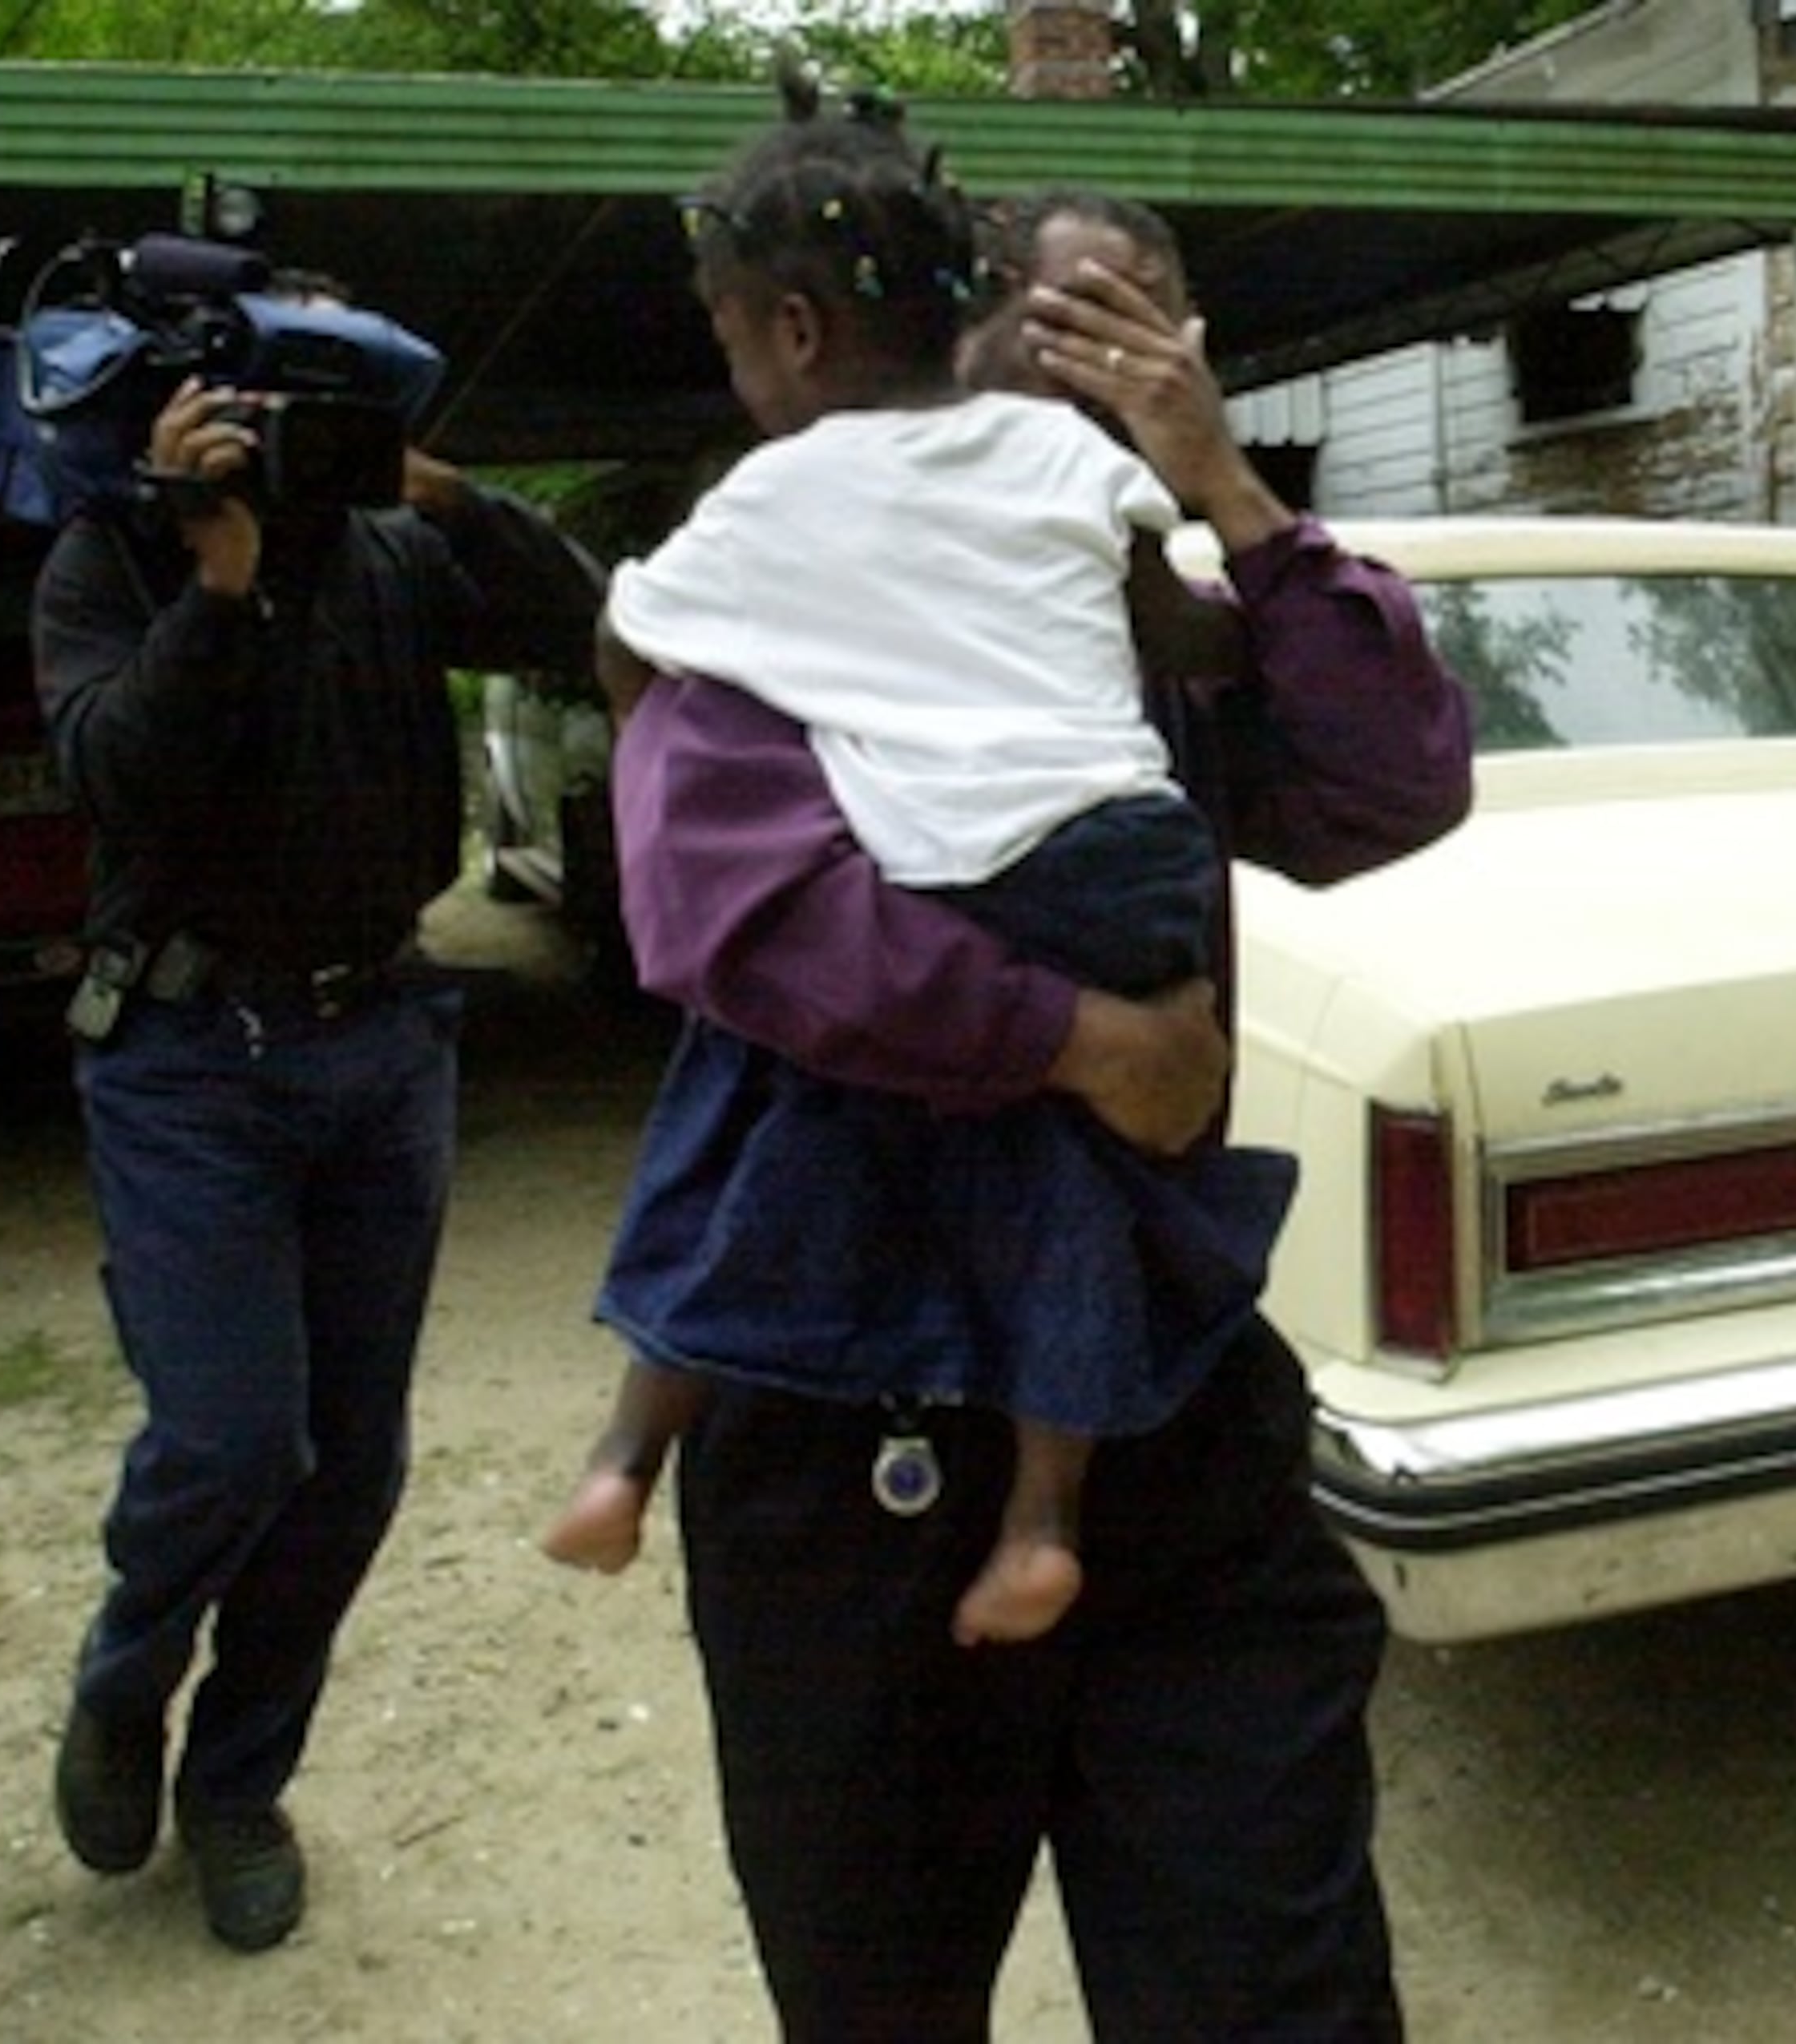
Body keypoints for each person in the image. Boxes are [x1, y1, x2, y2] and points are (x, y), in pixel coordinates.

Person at [603, 184, 1473, 2038]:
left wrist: (1233, 496)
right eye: (1032, 301)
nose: (1075, 342)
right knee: (880, 1994)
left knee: (1279, 1987)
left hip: (1170, 1410)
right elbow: (720, 906)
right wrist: (1079, 1038)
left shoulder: (1152, 607)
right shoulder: (798, 574)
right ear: (934, 326)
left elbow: (1397, 789)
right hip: (853, 1443)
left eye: (1131, 314)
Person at [541, 94, 1293, 1648]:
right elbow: (1185, 626)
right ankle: (1041, 1522)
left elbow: (626, 640)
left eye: (732, 337)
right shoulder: (1046, 451)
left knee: (748, 1099)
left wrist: (671, 704)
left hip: (945, 869)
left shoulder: (760, 502)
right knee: (1085, 1166)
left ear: (798, 332)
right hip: (1123, 856)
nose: (737, 372)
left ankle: (629, 1450)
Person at [30, 305, 602, 1953]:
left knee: (351, 1465)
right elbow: (118, 778)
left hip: (382, 1043)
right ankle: (124, 1685)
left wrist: (437, 493)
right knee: (230, 1438)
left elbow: (578, 626)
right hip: (189, 1052)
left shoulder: (386, 551)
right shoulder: (109, 562)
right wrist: (212, 572)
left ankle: (237, 1783)